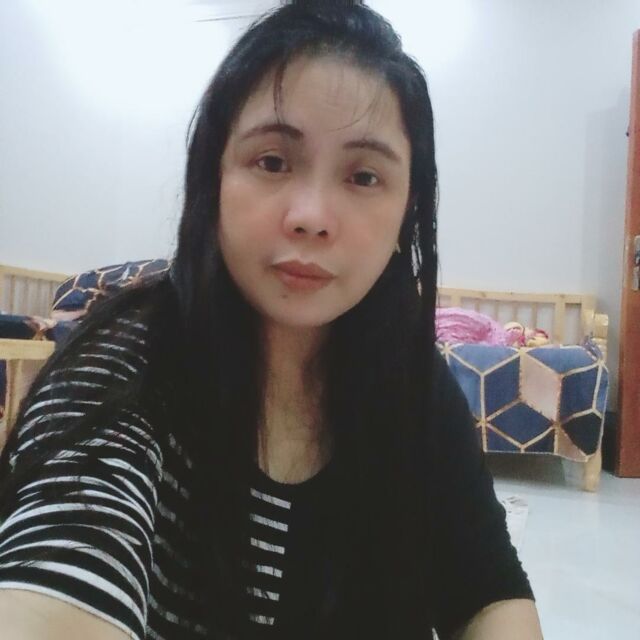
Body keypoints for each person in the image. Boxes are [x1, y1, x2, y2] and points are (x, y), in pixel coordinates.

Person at [0, 1, 544, 638]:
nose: (310, 215)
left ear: (407, 212)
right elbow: (62, 567)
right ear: (214, 180)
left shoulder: (413, 384)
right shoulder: (122, 370)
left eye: (364, 176)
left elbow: (488, 589)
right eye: (273, 162)